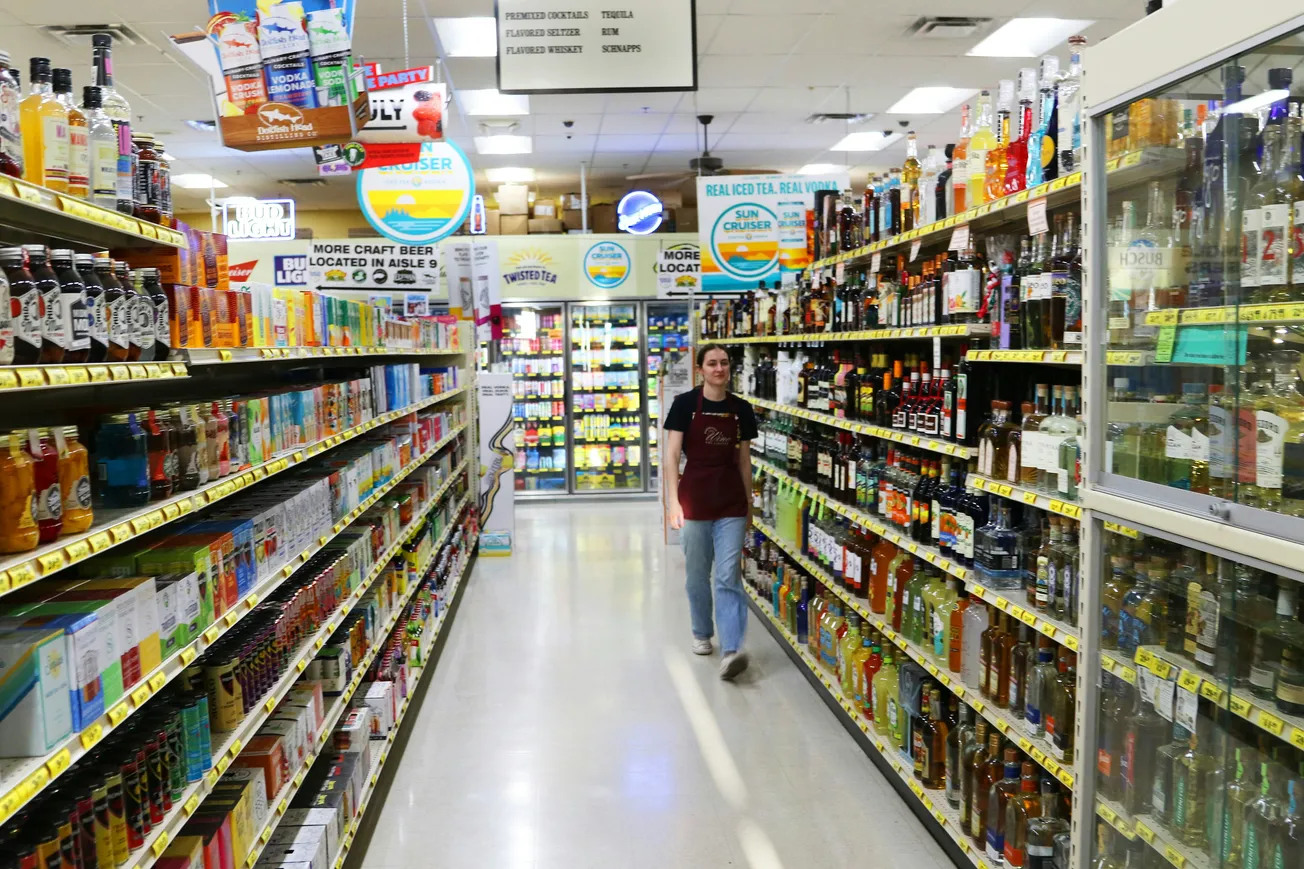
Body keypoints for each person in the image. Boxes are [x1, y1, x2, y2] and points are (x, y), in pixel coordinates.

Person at [663, 344, 758, 680]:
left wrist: (749, 505)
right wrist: (673, 502)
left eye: (725, 363)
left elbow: (744, 461)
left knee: (728, 574)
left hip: (730, 501)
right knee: (697, 575)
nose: (720, 369)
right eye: (713, 363)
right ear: (700, 369)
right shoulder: (685, 405)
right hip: (694, 501)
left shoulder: (742, 409)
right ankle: (702, 632)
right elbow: (672, 456)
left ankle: (732, 649)